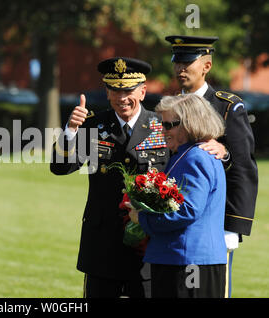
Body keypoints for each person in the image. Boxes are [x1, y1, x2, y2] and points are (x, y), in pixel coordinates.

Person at [50, 57, 170, 298]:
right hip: (102, 244)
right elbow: (61, 167)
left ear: (143, 91)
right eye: (115, 90)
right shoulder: (92, 125)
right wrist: (71, 131)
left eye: (128, 90)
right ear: (107, 92)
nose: (122, 97)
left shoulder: (163, 126)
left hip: (147, 244)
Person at [165, 35, 258, 297]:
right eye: (177, 62)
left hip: (214, 223)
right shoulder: (170, 106)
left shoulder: (227, 105)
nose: (180, 69)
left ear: (206, 66)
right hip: (175, 216)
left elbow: (244, 166)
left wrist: (234, 225)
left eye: (187, 63)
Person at [128, 94, 227, 298]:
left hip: (189, 260)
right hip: (185, 258)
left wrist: (143, 218)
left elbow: (188, 210)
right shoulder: (188, 154)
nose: (163, 131)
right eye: (161, 124)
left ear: (190, 123)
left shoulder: (195, 157)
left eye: (168, 125)